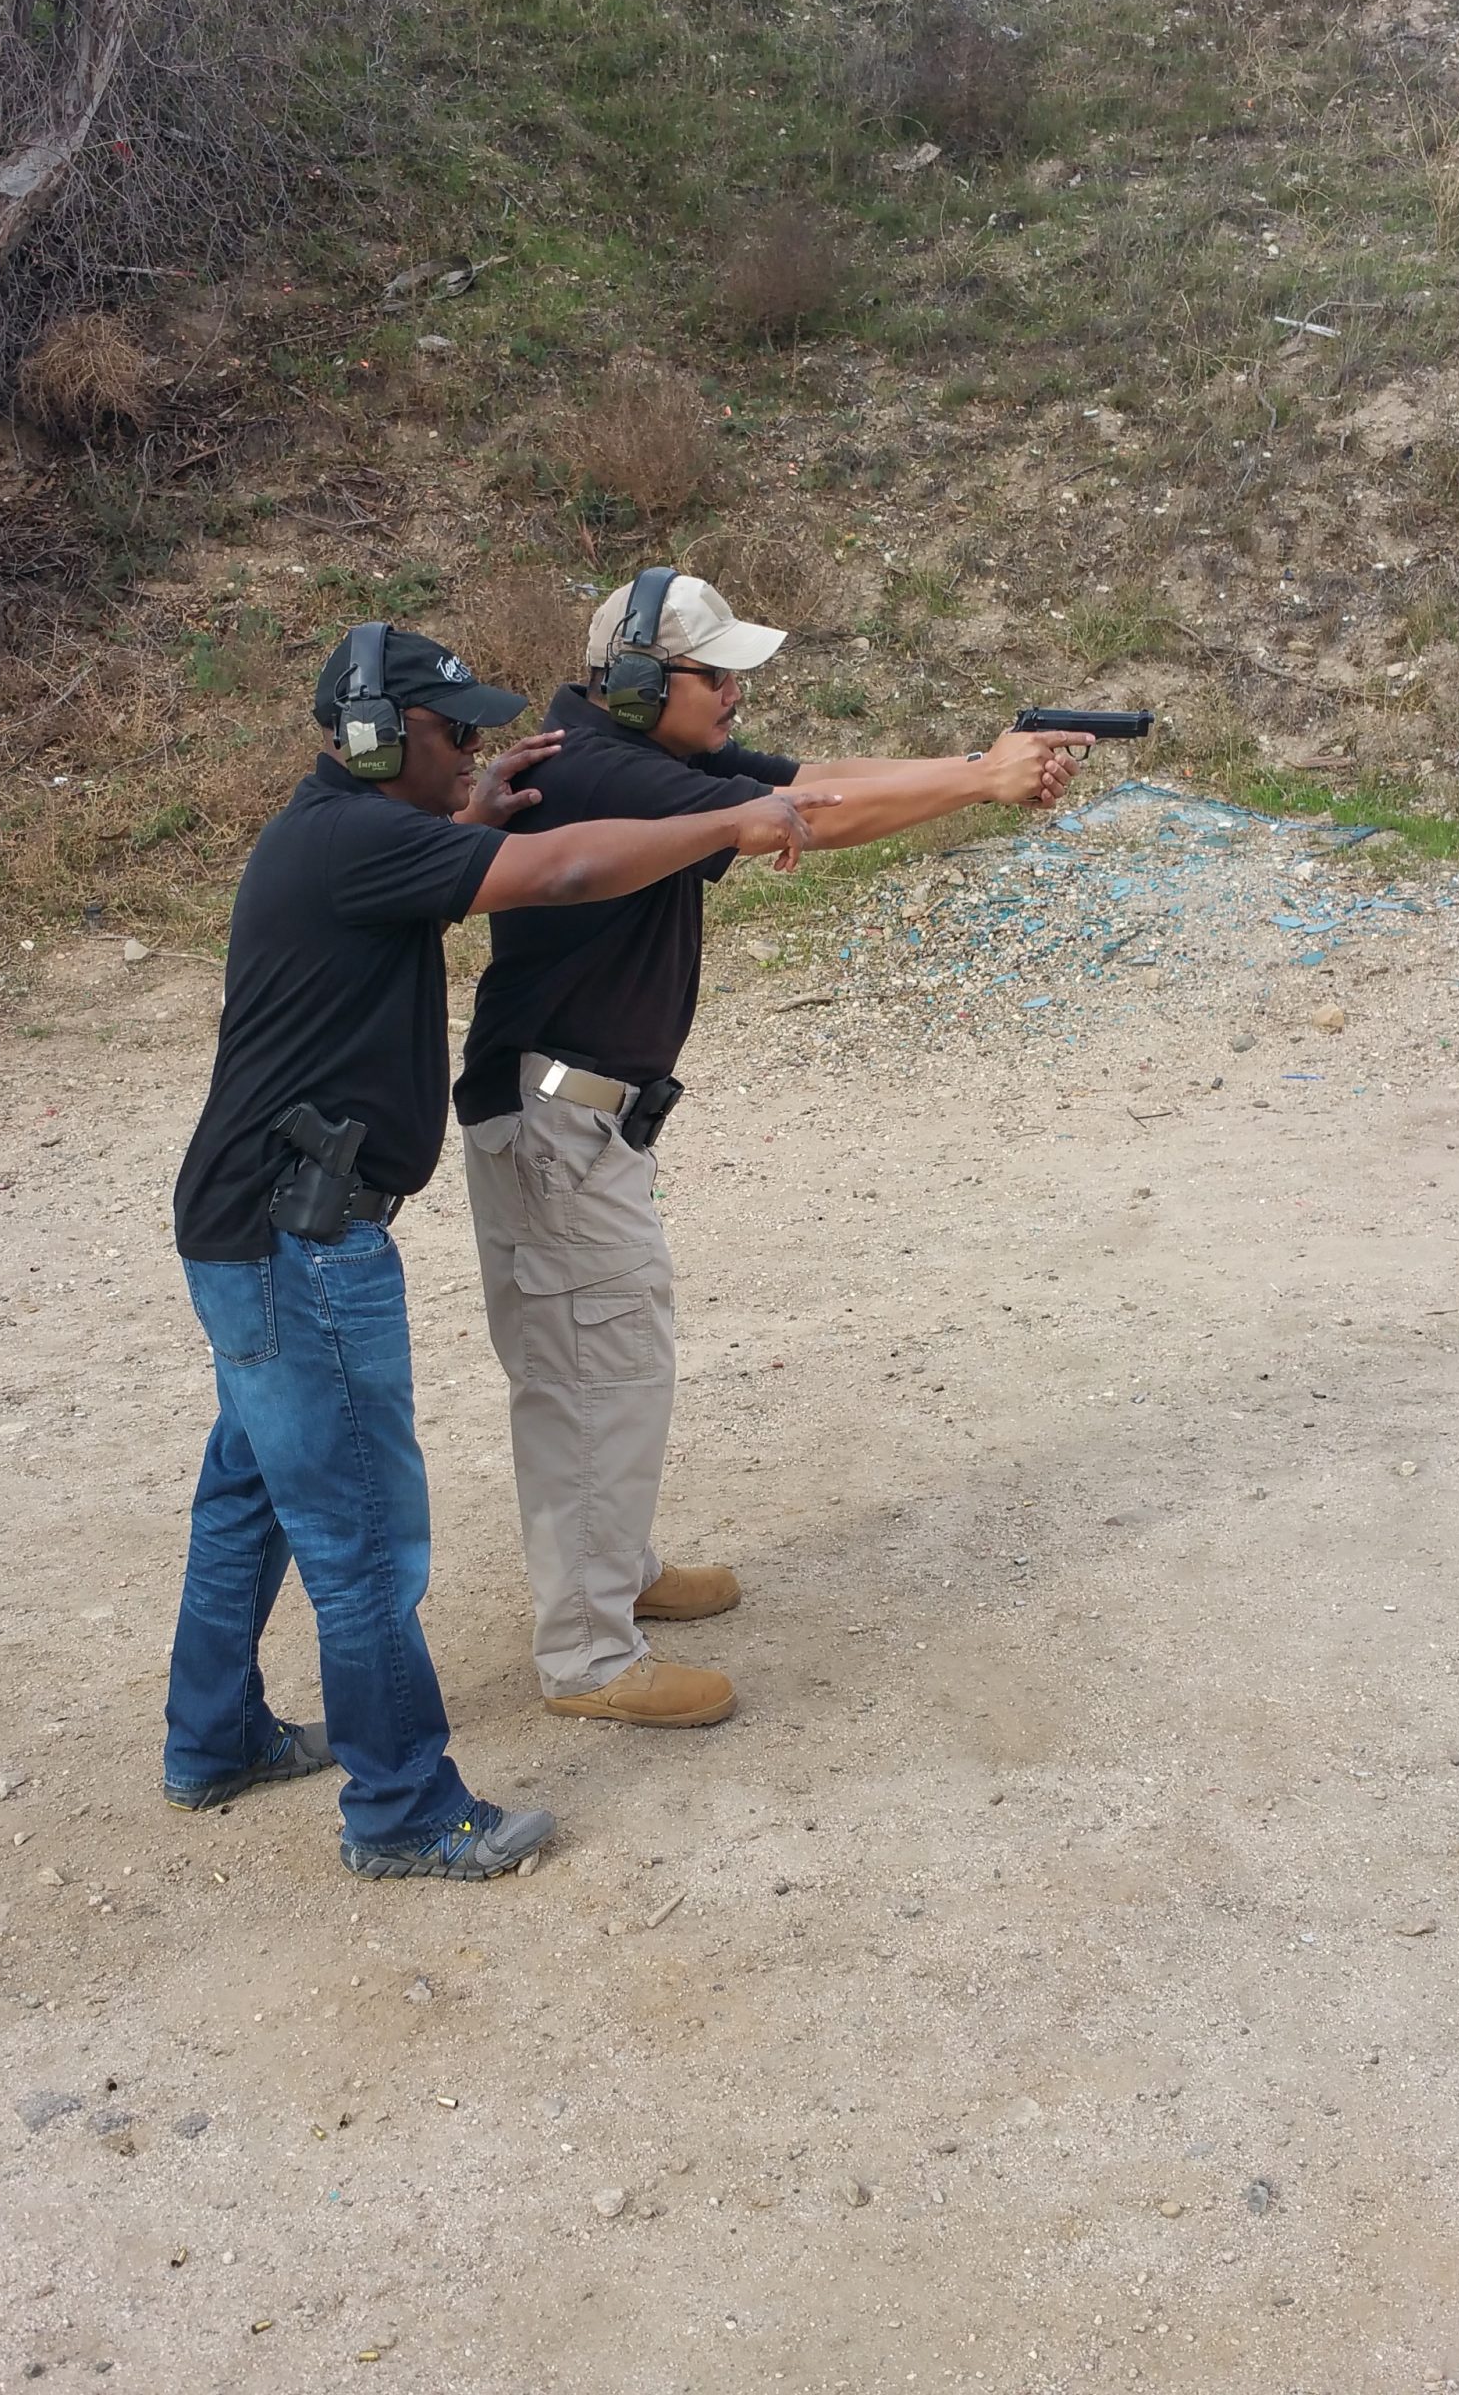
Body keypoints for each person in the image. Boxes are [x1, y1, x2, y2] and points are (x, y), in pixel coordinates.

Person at [162, 622, 831, 1883]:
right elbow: (569, 868)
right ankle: (404, 1807)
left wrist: (464, 808)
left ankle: (214, 1737)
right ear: (372, 739)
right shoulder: (354, 840)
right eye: (449, 733)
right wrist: (719, 823)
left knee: (250, 1495)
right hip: (300, 1240)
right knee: (363, 1532)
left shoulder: (337, 834)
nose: (473, 750)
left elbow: (457, 855)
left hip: (253, 1229)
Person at [455, 566, 1083, 1729]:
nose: (739, 690)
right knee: (593, 1372)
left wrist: (973, 774)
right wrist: (985, 781)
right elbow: (820, 816)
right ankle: (589, 1654)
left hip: (585, 1120)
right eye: (716, 671)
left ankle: (618, 1571)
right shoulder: (597, 770)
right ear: (641, 680)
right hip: (558, 1121)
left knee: (613, 1358)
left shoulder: (641, 755)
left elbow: (816, 785)